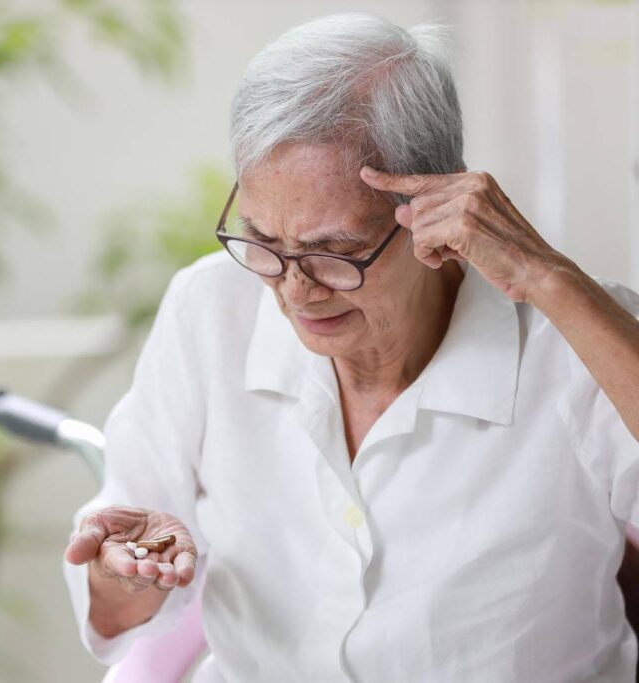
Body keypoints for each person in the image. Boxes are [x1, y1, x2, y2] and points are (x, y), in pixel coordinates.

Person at [63, 12, 639, 682]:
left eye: (336, 253)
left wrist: (546, 277)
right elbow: (115, 588)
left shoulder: (573, 337)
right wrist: (127, 574)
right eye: (264, 241)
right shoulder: (211, 309)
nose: (296, 291)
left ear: (441, 202)